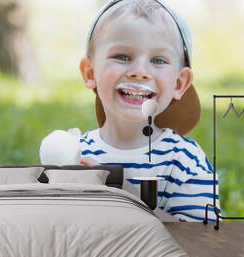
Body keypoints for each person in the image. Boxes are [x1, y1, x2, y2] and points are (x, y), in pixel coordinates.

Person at [53, 0, 220, 222]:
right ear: (90, 73)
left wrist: (121, 193)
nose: (140, 72)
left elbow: (202, 243)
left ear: (179, 84)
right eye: (122, 57)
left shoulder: (185, 160)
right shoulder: (78, 155)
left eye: (158, 60)